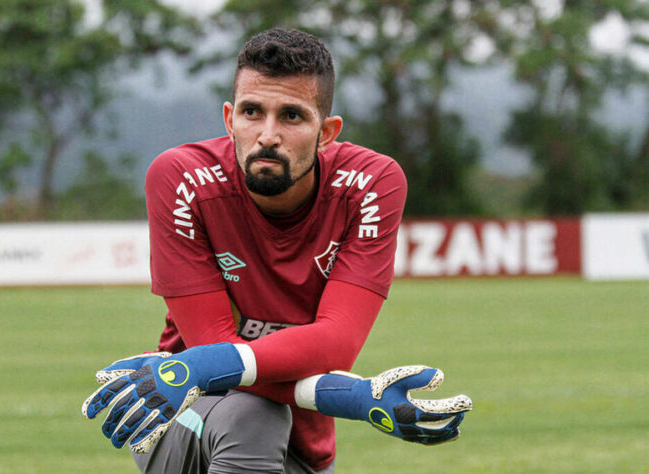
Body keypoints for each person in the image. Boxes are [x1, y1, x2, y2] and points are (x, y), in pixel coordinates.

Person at [83, 28, 471, 473]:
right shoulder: (181, 178)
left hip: (304, 446)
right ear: (229, 119)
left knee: (262, 417)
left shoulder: (372, 183)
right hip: (185, 409)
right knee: (253, 415)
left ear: (326, 132)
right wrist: (352, 397)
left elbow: (335, 343)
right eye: (252, 112)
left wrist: (345, 396)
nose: (267, 135)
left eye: (291, 116)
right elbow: (212, 357)